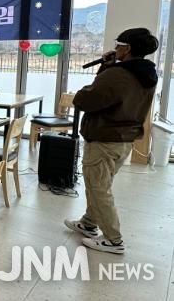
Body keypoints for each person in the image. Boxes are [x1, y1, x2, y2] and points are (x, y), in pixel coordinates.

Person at [64, 28, 159, 254]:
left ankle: (113, 239)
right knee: (100, 185)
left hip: (104, 138)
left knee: (98, 188)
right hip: (124, 139)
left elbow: (85, 99)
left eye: (118, 45)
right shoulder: (146, 74)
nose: (115, 48)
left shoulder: (118, 74)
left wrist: (104, 71)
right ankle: (89, 223)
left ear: (127, 48)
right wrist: (108, 67)